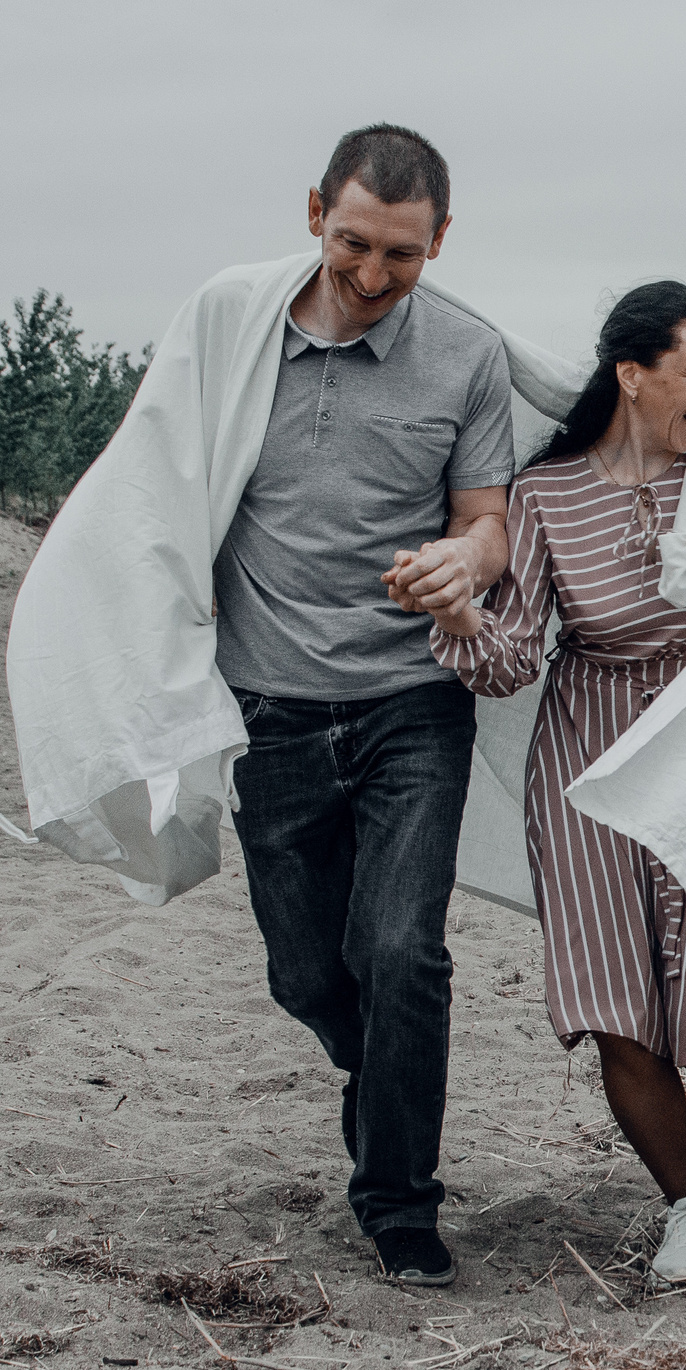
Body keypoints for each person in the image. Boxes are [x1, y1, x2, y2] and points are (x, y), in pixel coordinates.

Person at [414, 281, 686, 1285]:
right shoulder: (544, 493)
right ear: (633, 376)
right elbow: (511, 659)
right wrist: (461, 617)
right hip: (586, 761)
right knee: (615, 1001)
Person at [211, 124, 518, 1289]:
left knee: (405, 953)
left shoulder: (467, 357)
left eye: (404, 254)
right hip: (269, 707)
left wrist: (467, 563)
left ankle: (399, 1203)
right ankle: (372, 1065)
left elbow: (484, 517)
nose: (374, 276)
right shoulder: (232, 337)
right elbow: (162, 487)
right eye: (353, 244)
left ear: (441, 239)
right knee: (306, 975)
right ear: (311, 213)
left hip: (409, 702)